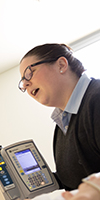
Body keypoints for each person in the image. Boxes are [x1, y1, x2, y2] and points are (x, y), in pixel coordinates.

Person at [19, 43, 100, 191]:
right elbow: (73, 182)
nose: (25, 84)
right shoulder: (61, 126)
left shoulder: (96, 98)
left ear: (61, 65)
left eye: (29, 73)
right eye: (22, 82)